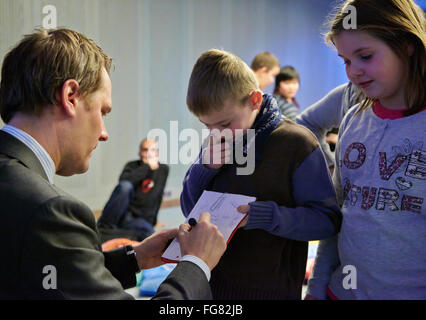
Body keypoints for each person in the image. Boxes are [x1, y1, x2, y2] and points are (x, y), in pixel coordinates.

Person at [0, 28, 227, 300]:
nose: (104, 133)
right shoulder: (49, 211)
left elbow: (35, 274)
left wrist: (135, 259)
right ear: (70, 96)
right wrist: (195, 265)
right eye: (102, 111)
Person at [181, 49, 342, 299]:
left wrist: (264, 216)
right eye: (206, 126)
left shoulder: (296, 143)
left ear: (254, 100)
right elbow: (190, 210)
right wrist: (204, 170)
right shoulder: (216, 140)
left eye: (224, 124)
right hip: (212, 287)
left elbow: (326, 221)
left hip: (271, 290)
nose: (216, 133)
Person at [306, 0, 426, 300]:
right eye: (346, 61)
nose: (354, 72)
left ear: (407, 44)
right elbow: (339, 218)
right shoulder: (353, 119)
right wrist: (317, 287)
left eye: (365, 56)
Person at [97, 138, 169, 242]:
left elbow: (157, 196)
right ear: (140, 153)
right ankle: (104, 227)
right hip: (122, 214)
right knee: (126, 186)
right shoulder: (132, 166)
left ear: (157, 153)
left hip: (139, 220)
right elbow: (123, 185)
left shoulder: (163, 170)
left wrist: (154, 220)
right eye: (145, 150)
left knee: (150, 235)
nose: (149, 154)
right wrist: (146, 166)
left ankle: (121, 232)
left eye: (152, 150)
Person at [296, 82, 362, 173]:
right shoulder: (347, 94)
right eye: (348, 66)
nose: (356, 71)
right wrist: (329, 163)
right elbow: (306, 123)